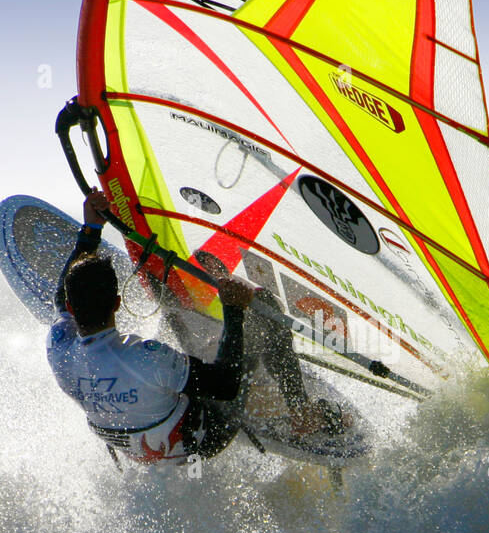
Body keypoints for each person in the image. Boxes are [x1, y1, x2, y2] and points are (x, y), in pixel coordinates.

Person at [47, 191, 342, 465]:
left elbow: (61, 295)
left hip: (137, 449)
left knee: (173, 321)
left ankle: (196, 349)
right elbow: (225, 385)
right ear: (117, 303)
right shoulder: (145, 357)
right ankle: (302, 412)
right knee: (261, 305)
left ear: (71, 309)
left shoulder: (59, 348)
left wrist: (90, 231)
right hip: (201, 441)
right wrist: (233, 310)